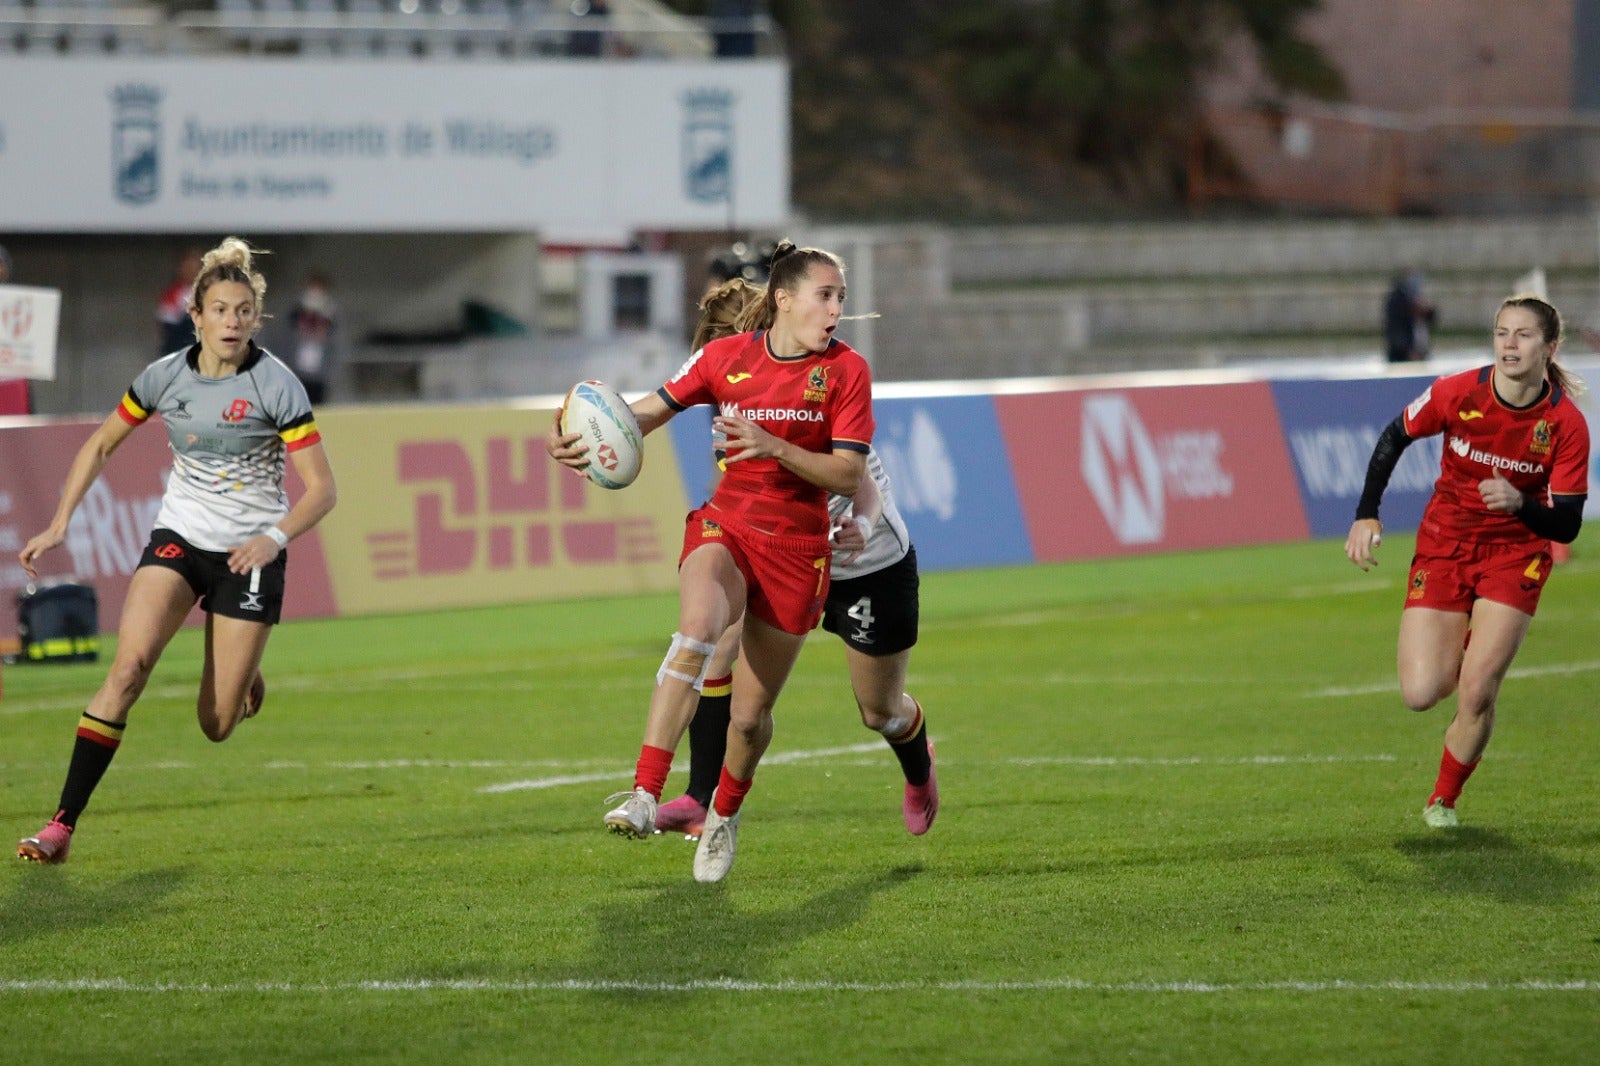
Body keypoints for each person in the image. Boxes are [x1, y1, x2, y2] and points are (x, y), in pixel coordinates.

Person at [546, 241, 873, 883]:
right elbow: (645, 414)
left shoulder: (846, 372)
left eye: (840, 297)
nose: (836, 309)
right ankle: (643, 794)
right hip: (727, 523)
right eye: (825, 295)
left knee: (749, 721)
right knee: (695, 630)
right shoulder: (724, 358)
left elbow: (846, 473)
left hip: (798, 548)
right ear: (784, 299)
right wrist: (582, 434)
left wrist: (773, 445)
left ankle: (722, 815)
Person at [16, 237, 338, 865]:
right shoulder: (164, 377)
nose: (232, 322)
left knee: (216, 726)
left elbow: (323, 491)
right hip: (180, 539)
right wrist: (58, 524)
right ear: (196, 315)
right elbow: (102, 444)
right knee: (128, 669)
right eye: (220, 309)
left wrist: (271, 539)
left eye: (243, 311)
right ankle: (59, 827)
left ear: (255, 317)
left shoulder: (277, 385)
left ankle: (244, 679)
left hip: (251, 556)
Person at [653, 280, 936, 841]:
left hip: (864, 564)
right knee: (716, 649)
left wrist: (863, 525)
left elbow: (865, 485)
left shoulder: (824, 381)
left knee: (878, 711)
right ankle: (699, 796)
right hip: (783, 556)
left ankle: (917, 764)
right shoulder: (734, 402)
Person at [1345, 294, 1588, 829]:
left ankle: (1443, 800)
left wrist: (1522, 504)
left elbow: (1566, 523)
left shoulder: (1565, 424)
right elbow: (1395, 435)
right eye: (1502, 332)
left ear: (1548, 348)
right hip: (1446, 542)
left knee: (1478, 688)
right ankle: (1462, 648)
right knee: (1421, 693)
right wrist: (1367, 514)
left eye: (1523, 334)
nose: (1509, 343)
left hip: (1515, 552)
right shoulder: (1458, 391)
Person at [289, 272, 337, 405]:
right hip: (300, 361)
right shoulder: (298, 308)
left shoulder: (329, 309)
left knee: (318, 396)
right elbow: (293, 325)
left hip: (320, 364)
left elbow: (331, 331)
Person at [157, 247, 203, 356]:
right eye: (188, 267)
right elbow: (167, 325)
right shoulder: (172, 293)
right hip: (180, 346)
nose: (191, 271)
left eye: (195, 267)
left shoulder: (209, 291)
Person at [1384, 271, 1436, 364]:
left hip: (1418, 351)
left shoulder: (1417, 300)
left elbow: (1431, 318)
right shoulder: (1399, 301)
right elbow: (1396, 331)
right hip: (1404, 355)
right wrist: (1408, 351)